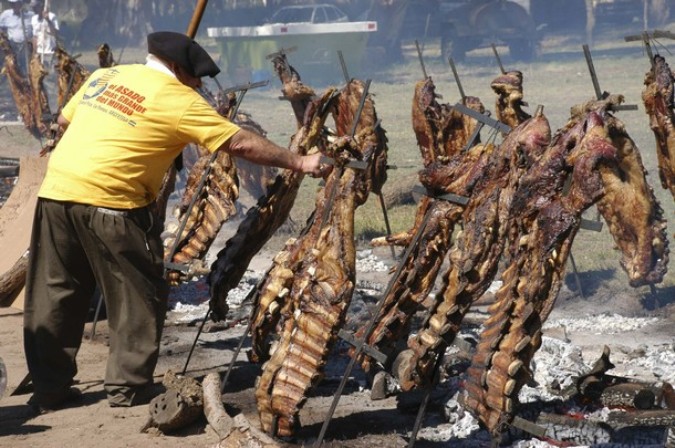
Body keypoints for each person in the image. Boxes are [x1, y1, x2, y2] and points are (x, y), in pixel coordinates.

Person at [23, 31, 326, 413]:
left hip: (56, 194)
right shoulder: (180, 99)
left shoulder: (106, 77)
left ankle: (49, 389)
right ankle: (128, 388)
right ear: (179, 69)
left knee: (56, 291)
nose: (200, 85)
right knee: (138, 293)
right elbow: (238, 143)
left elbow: (65, 122)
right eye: (196, 77)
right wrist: (299, 161)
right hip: (114, 203)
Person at [0, 0, 34, 75]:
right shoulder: (6, 15)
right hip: (13, 46)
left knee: (27, 67)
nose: (15, 6)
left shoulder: (30, 15)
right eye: (12, 4)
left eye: (16, 4)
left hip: (26, 46)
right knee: (14, 67)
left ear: (21, 4)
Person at [30, 0, 58, 67]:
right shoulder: (34, 19)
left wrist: (48, 20)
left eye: (36, 7)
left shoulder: (52, 16)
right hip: (39, 52)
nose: (34, 9)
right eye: (33, 7)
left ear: (41, 6)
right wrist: (34, 52)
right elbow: (35, 37)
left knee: (51, 74)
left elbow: (55, 33)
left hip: (50, 52)